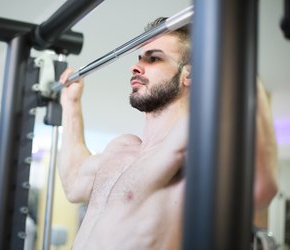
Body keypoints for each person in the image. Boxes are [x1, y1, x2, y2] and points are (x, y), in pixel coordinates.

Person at [57, 17, 278, 249]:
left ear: (190, 75)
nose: (136, 66)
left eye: (154, 58)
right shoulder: (120, 148)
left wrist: (235, 59)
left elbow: (259, 189)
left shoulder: (189, 141)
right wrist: (71, 103)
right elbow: (73, 182)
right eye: (140, 57)